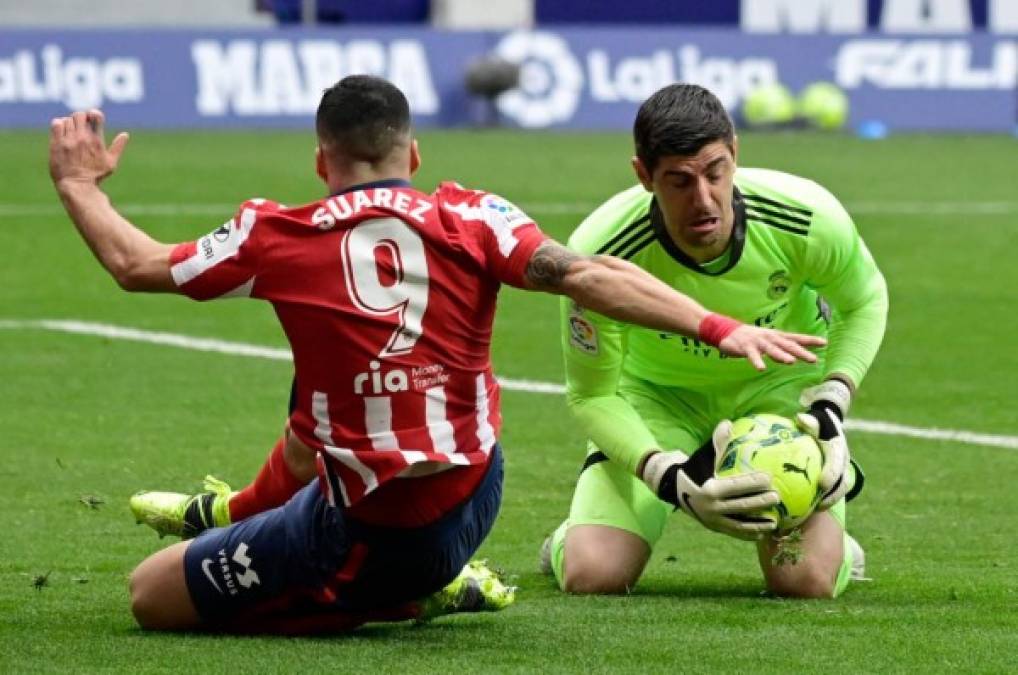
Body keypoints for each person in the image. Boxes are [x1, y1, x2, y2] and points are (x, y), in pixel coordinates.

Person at [48, 75, 825, 634]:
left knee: (150, 594)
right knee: (313, 409)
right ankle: (232, 512)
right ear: (412, 152)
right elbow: (586, 276)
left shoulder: (276, 234)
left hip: (382, 534)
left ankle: (401, 599)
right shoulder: (474, 214)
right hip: (478, 489)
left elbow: (136, 264)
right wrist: (722, 326)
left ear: (323, 162)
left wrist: (79, 183)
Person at [543, 83, 888, 599]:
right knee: (594, 577)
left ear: (735, 154)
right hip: (656, 401)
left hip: (778, 397)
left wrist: (833, 402)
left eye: (715, 172)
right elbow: (592, 394)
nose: (703, 200)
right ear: (643, 175)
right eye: (679, 181)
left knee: (806, 582)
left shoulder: (807, 217)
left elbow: (864, 301)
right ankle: (571, 538)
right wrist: (667, 477)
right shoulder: (601, 253)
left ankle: (834, 545)